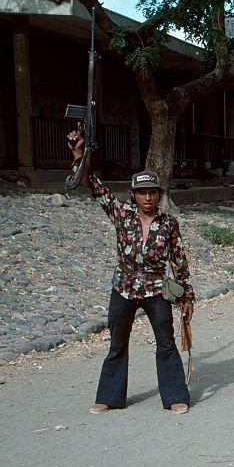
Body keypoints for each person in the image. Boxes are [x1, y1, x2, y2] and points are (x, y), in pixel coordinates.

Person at [83, 168, 194, 414]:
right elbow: (97, 188)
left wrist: (187, 296)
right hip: (123, 286)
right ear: (133, 195)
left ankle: (175, 395)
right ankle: (109, 397)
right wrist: (80, 157)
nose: (147, 198)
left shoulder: (168, 224)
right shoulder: (121, 215)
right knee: (117, 343)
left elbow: (179, 261)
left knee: (166, 343)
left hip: (156, 289)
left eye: (152, 193)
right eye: (142, 193)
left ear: (158, 195)